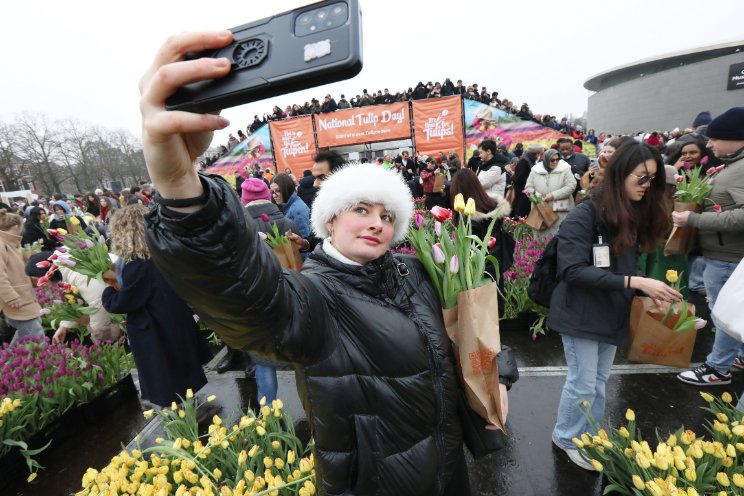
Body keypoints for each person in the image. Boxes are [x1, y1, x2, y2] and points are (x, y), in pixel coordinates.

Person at [137, 31, 518, 494]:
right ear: (331, 219)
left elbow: (458, 342)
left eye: (386, 215)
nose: (376, 222)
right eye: (361, 209)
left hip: (448, 476)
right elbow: (245, 298)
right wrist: (181, 188)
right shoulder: (314, 295)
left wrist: (500, 376)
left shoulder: (415, 272)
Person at [549, 142, 682, 470]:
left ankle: (590, 435)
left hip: (612, 311)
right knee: (582, 381)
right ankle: (566, 437)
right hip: (581, 312)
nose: (646, 186)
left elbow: (625, 267)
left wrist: (645, 288)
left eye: (652, 180)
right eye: (641, 178)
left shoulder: (630, 214)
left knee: (598, 381)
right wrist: (635, 283)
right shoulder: (586, 214)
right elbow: (571, 270)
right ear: (620, 173)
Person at [102, 205, 211, 407]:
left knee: (167, 376)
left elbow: (123, 301)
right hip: (175, 318)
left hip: (154, 327)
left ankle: (183, 420)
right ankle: (189, 405)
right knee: (182, 367)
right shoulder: (164, 251)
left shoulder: (137, 264)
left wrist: (107, 292)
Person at [674, 107, 744, 386]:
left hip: (728, 257)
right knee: (733, 311)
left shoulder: (740, 170)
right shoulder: (733, 165)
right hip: (722, 254)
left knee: (723, 314)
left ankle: (717, 368)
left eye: (715, 138)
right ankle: (736, 356)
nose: (710, 144)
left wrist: (695, 218)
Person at [0, 209, 45, 346]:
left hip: (21, 296)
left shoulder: (9, 243)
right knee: (35, 336)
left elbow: (15, 266)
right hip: (17, 298)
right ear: (16, 226)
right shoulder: (2, 244)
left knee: (28, 331)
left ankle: (8, 363)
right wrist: (11, 297)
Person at [524, 149, 577, 238]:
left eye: (557, 159)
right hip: (540, 210)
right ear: (546, 159)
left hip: (560, 210)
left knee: (559, 236)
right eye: (552, 160)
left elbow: (571, 186)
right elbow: (528, 187)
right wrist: (536, 195)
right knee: (541, 238)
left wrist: (553, 195)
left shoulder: (565, 169)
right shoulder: (535, 170)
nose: (555, 162)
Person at [271, 173, 311, 238]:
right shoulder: (284, 205)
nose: (274, 195)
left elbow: (304, 238)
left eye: (278, 191)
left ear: (287, 189)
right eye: (272, 192)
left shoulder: (298, 209)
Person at [510, 143, 544, 218]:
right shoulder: (524, 162)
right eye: (540, 154)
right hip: (522, 192)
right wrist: (532, 181)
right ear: (537, 153)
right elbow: (519, 177)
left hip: (525, 192)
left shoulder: (529, 160)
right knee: (521, 211)